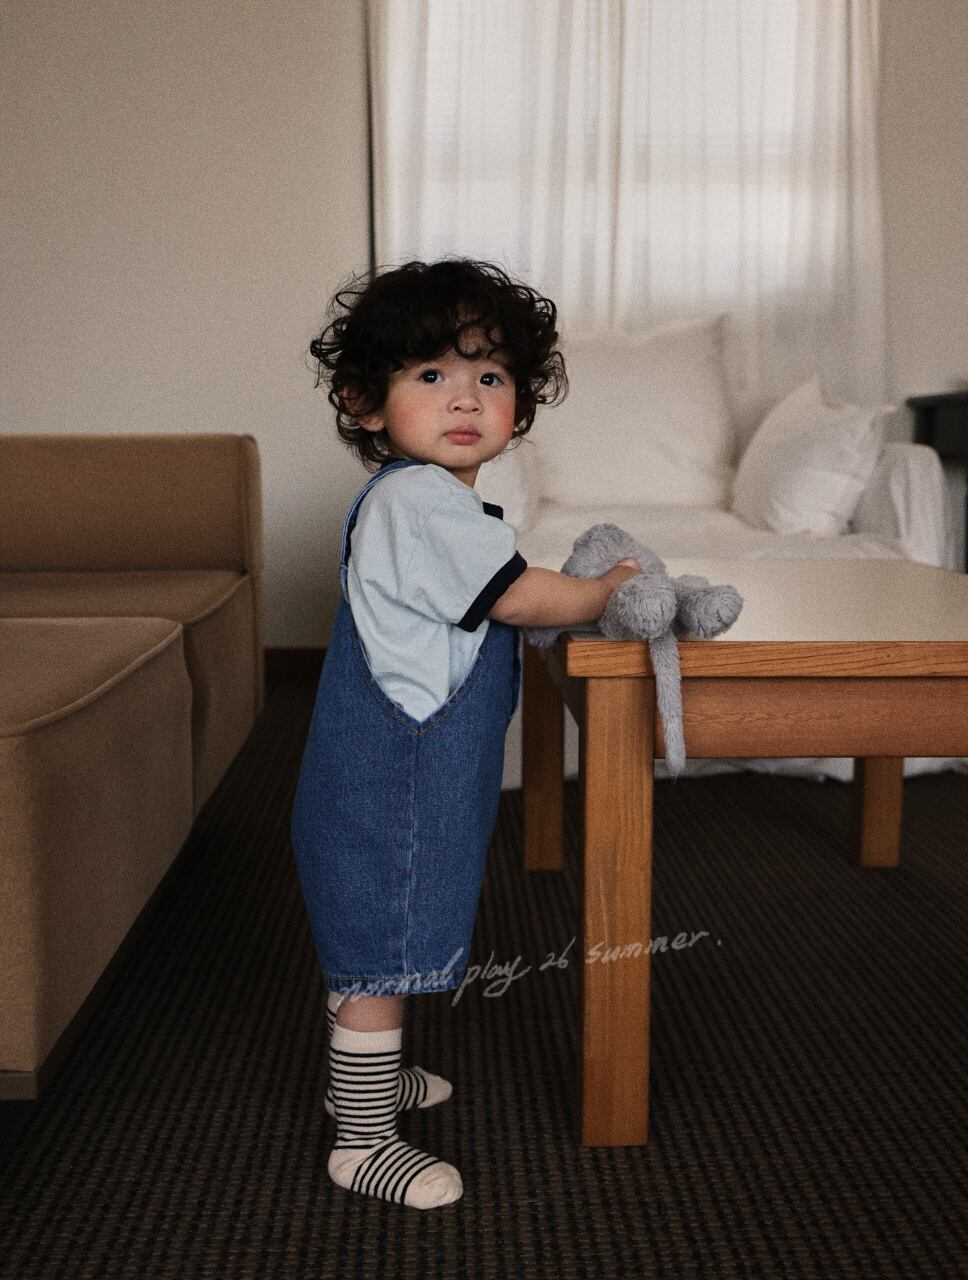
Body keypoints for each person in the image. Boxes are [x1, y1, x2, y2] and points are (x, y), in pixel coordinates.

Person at [290, 258, 641, 1209]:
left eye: (490, 375)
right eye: (431, 374)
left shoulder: (430, 503)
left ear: (519, 406)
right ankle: (362, 1139)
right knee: (380, 953)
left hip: (392, 777)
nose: (465, 398)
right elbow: (520, 596)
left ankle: (368, 1075)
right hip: (391, 789)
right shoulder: (418, 502)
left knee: (384, 940)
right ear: (366, 402)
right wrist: (604, 593)